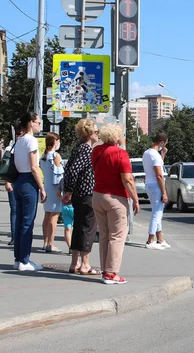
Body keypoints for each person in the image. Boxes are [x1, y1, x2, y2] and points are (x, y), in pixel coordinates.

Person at [92, 123, 140, 284]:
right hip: (116, 198)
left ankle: (105, 269)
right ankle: (111, 273)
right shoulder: (121, 154)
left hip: (98, 196)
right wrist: (135, 199)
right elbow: (127, 179)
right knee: (118, 236)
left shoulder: (97, 151)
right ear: (117, 136)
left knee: (104, 235)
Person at [63, 119, 99, 274]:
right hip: (86, 193)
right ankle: (85, 264)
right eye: (96, 132)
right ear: (89, 134)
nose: (98, 134)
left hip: (79, 194)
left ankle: (74, 263)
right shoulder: (86, 150)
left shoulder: (78, 148)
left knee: (78, 227)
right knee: (88, 228)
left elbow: (69, 168)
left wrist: (69, 190)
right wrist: (69, 190)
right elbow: (73, 171)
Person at [12, 112, 46, 271]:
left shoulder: (18, 140)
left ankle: (18, 259)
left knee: (19, 222)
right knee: (28, 223)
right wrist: (42, 187)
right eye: (38, 122)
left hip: (18, 181)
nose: (40, 125)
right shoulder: (31, 140)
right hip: (28, 182)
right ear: (31, 123)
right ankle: (25, 261)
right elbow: (34, 167)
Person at [142, 133, 170, 250]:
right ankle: (150, 240)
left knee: (157, 212)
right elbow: (159, 175)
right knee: (157, 213)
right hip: (156, 186)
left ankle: (160, 239)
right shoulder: (154, 155)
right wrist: (164, 192)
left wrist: (162, 154)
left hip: (149, 184)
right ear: (162, 143)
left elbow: (159, 166)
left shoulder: (147, 153)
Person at [39, 132, 64, 253]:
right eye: (58, 140)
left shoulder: (43, 156)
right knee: (54, 216)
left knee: (47, 215)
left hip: (47, 186)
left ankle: (45, 242)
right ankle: (51, 244)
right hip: (55, 188)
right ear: (55, 142)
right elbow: (58, 174)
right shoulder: (55, 156)